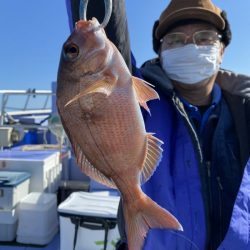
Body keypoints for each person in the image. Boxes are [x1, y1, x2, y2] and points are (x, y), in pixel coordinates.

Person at [66, 0, 250, 249]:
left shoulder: (245, 111)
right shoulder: (140, 96)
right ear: (160, 51)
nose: (190, 46)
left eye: (205, 37)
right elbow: (105, 29)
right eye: (175, 40)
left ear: (222, 50)